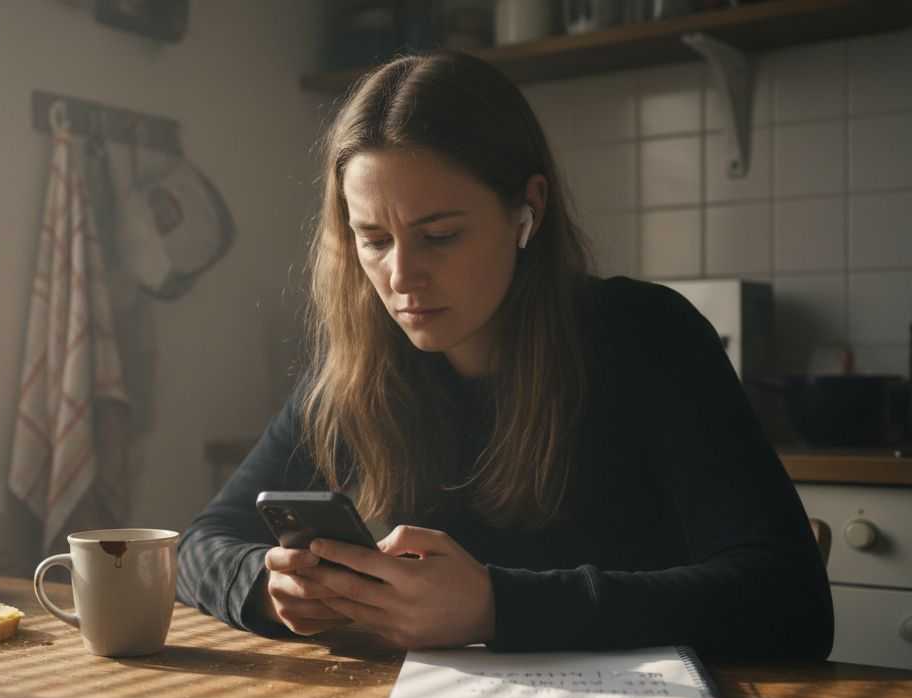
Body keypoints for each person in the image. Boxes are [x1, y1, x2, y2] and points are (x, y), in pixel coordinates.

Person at [175, 50, 833, 661]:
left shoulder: (647, 336)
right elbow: (200, 544)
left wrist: (497, 607)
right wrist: (271, 589)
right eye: (373, 240)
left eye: (439, 236)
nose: (401, 276)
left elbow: (788, 601)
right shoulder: (362, 367)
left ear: (528, 210)